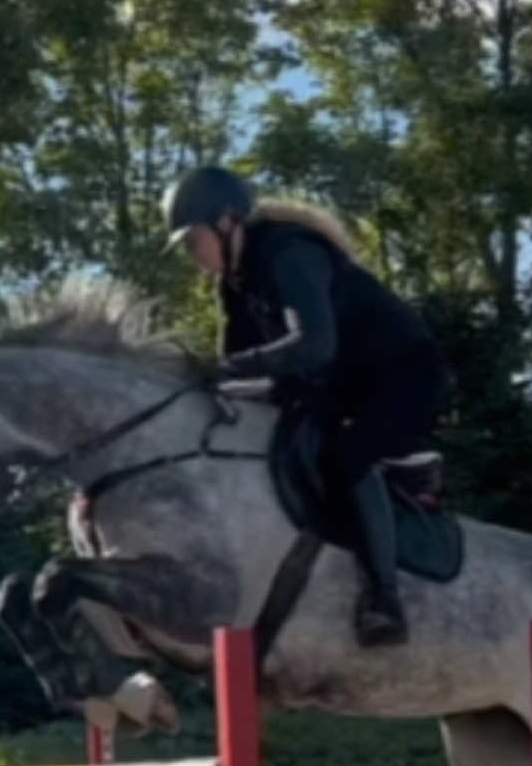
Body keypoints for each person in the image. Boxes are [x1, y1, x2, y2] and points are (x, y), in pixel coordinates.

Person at [162, 164, 451, 646]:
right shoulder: (234, 286)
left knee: (344, 454)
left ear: (228, 222)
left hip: (405, 377)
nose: (191, 255)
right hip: (342, 384)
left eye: (193, 241)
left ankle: (384, 600)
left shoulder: (289, 254)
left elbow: (313, 347)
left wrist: (227, 370)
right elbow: (237, 371)